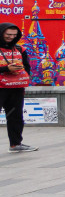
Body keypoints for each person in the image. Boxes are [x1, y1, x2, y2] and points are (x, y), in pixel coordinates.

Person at [1, 24, 37, 152]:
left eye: (14, 35)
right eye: (8, 35)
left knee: (16, 116)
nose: (11, 37)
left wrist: (23, 75)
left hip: (16, 87)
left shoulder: (19, 49)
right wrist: (6, 69)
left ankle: (16, 144)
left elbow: (27, 66)